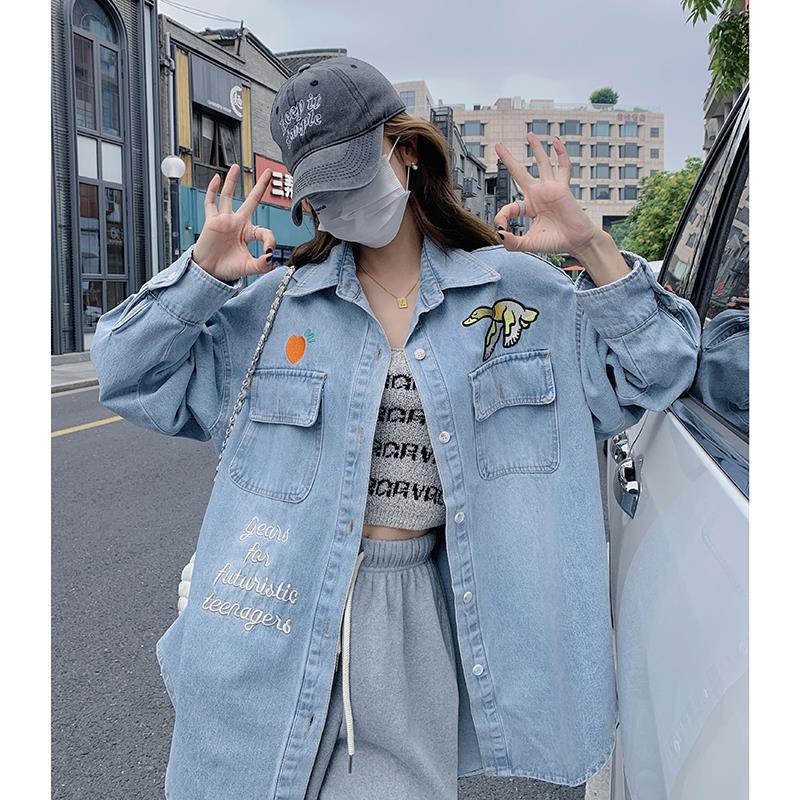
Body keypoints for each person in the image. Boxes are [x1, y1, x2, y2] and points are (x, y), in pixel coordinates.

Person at [90, 57, 701, 800]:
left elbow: (659, 368)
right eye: (322, 193)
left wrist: (590, 244)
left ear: (404, 149)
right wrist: (200, 275)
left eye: (352, 177)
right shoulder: (274, 309)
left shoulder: (518, 297)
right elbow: (126, 374)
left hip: (402, 627)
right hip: (263, 616)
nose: (340, 205)